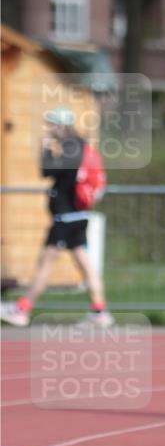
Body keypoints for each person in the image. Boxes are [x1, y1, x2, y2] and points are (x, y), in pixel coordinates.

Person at [0, 108, 113, 328]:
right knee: (85, 265)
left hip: (66, 218)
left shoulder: (71, 149)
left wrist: (45, 148)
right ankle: (99, 311)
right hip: (78, 215)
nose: (48, 128)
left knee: (45, 263)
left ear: (61, 125)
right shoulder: (80, 146)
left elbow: (47, 170)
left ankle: (22, 309)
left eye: (51, 124)